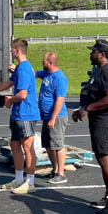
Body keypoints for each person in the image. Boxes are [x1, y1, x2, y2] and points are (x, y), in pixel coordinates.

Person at [72, 39, 108, 214]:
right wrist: (82, 109)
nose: (90, 54)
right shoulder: (101, 71)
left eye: (93, 51)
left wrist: (88, 109)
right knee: (103, 159)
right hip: (101, 121)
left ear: (101, 54)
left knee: (105, 159)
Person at [0, 38, 40, 194]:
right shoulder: (20, 68)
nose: (10, 52)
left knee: (28, 148)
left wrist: (9, 101)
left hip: (26, 114)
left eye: (12, 50)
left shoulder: (25, 69)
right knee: (15, 146)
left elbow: (22, 94)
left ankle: (30, 182)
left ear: (17, 51)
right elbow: (8, 83)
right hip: (18, 114)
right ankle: (18, 179)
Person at [35, 52, 69, 184]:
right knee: (48, 145)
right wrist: (17, 68)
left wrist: (53, 118)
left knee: (57, 145)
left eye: (43, 61)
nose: (42, 63)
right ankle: (55, 170)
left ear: (50, 63)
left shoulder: (59, 78)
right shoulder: (46, 74)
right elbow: (33, 73)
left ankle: (61, 173)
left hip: (57, 117)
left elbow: (60, 100)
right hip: (46, 117)